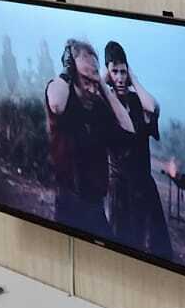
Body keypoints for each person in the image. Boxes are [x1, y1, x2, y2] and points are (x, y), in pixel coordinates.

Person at [44, 38, 133, 238]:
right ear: (72, 72)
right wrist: (67, 70)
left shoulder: (99, 107)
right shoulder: (62, 96)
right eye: (86, 80)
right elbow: (56, 104)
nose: (92, 89)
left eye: (95, 81)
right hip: (68, 204)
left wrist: (102, 86)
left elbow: (128, 131)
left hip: (95, 207)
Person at [102, 40, 174, 258]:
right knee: (122, 250)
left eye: (123, 72)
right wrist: (104, 79)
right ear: (107, 73)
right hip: (119, 190)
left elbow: (153, 107)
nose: (120, 78)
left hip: (144, 186)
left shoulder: (136, 102)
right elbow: (92, 91)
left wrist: (133, 77)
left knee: (157, 251)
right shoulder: (104, 104)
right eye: (114, 72)